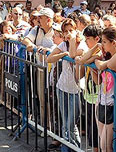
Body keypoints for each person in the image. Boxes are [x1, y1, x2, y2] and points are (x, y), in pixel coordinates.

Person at [47, 19, 88, 152]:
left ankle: (74, 148)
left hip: (76, 90)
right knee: (66, 124)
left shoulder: (82, 44)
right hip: (62, 87)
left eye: (71, 30)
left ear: (76, 30)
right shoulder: (63, 45)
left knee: (71, 124)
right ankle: (68, 149)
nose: (68, 33)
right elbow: (49, 58)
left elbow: (73, 54)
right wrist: (62, 54)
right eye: (66, 31)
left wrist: (71, 43)